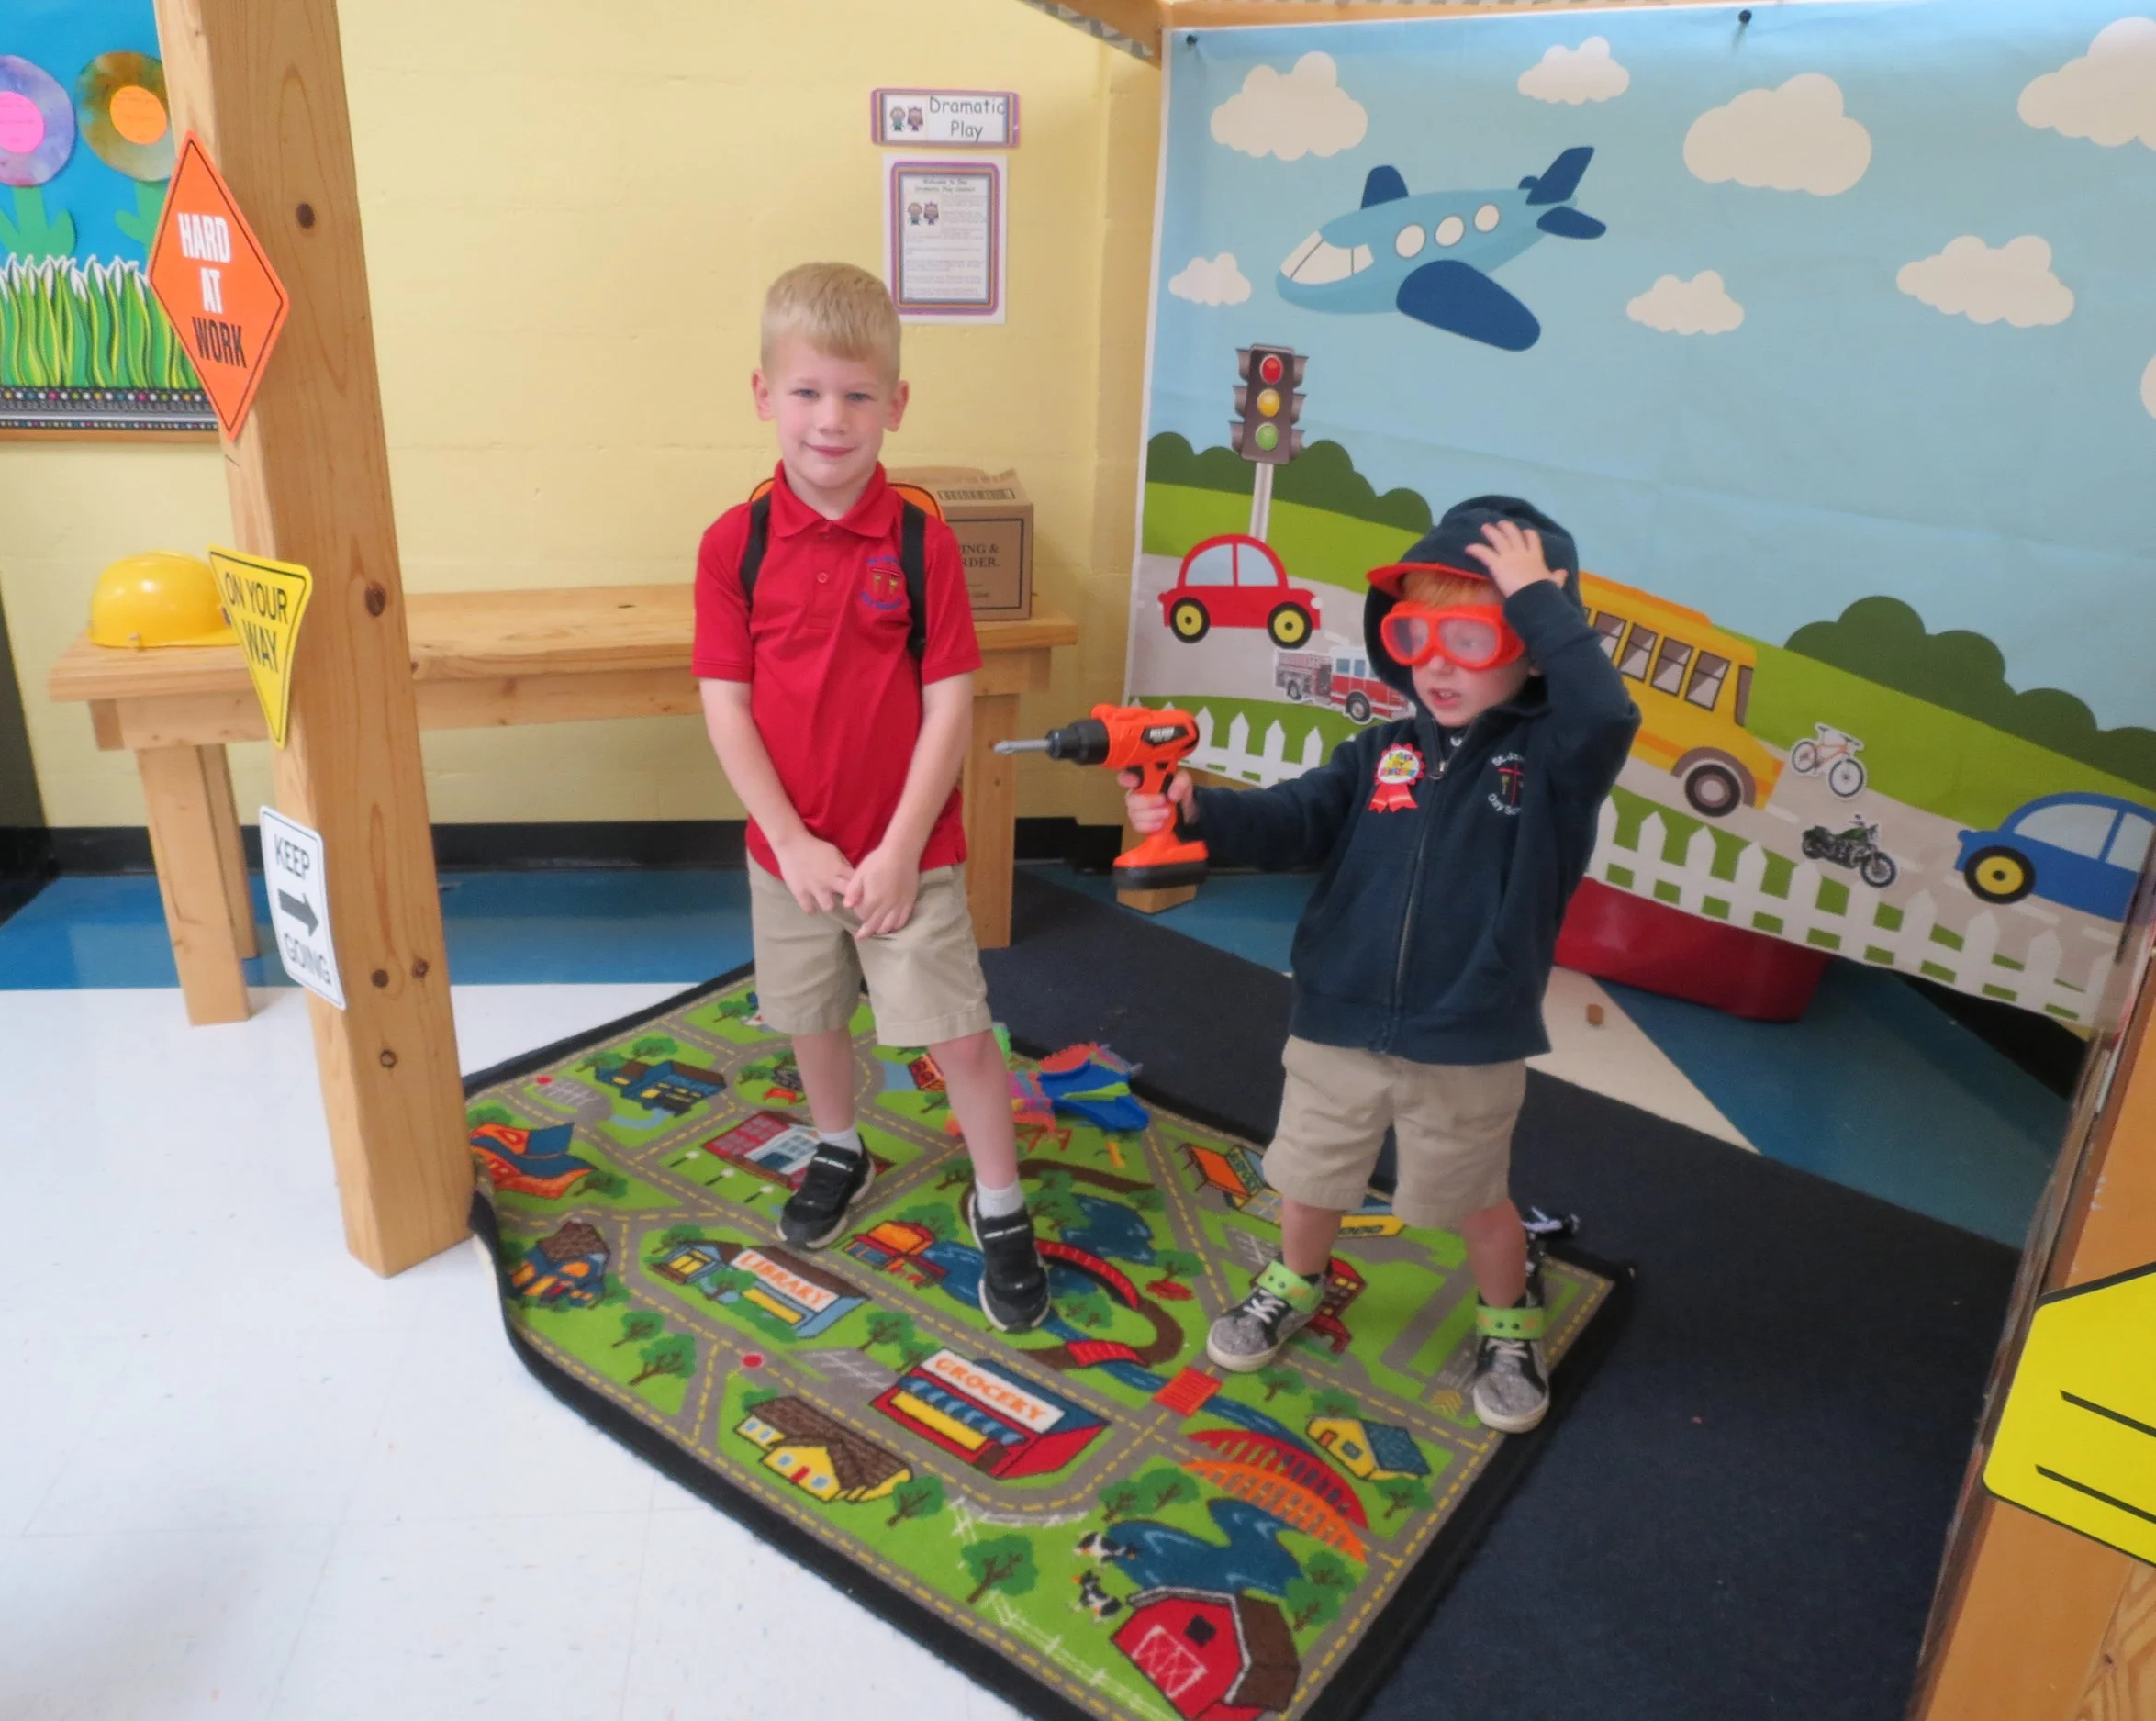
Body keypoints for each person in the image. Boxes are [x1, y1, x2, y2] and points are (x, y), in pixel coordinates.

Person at [1123, 499, 1637, 1431]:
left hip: (1468, 1032)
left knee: (1473, 1199)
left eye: (1471, 640)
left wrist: (1538, 601)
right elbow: (1291, 820)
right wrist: (1197, 811)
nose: (1435, 664)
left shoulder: (1555, 761)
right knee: (1310, 1177)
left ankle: (1509, 1322)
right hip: (1337, 1017)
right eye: (1414, 637)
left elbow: (1606, 711)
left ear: (1531, 647)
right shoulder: (1379, 752)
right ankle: (1295, 1280)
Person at [692, 262, 1050, 1331]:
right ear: (762, 394)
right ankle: (839, 1144)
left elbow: (949, 707)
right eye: (806, 392)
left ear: (895, 403)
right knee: (811, 1017)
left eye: (856, 395)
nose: (830, 419)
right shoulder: (734, 545)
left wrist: (897, 852)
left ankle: (1001, 1203)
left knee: (959, 1036)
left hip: (911, 855)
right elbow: (726, 708)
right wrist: (791, 841)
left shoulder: (921, 542)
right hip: (790, 858)